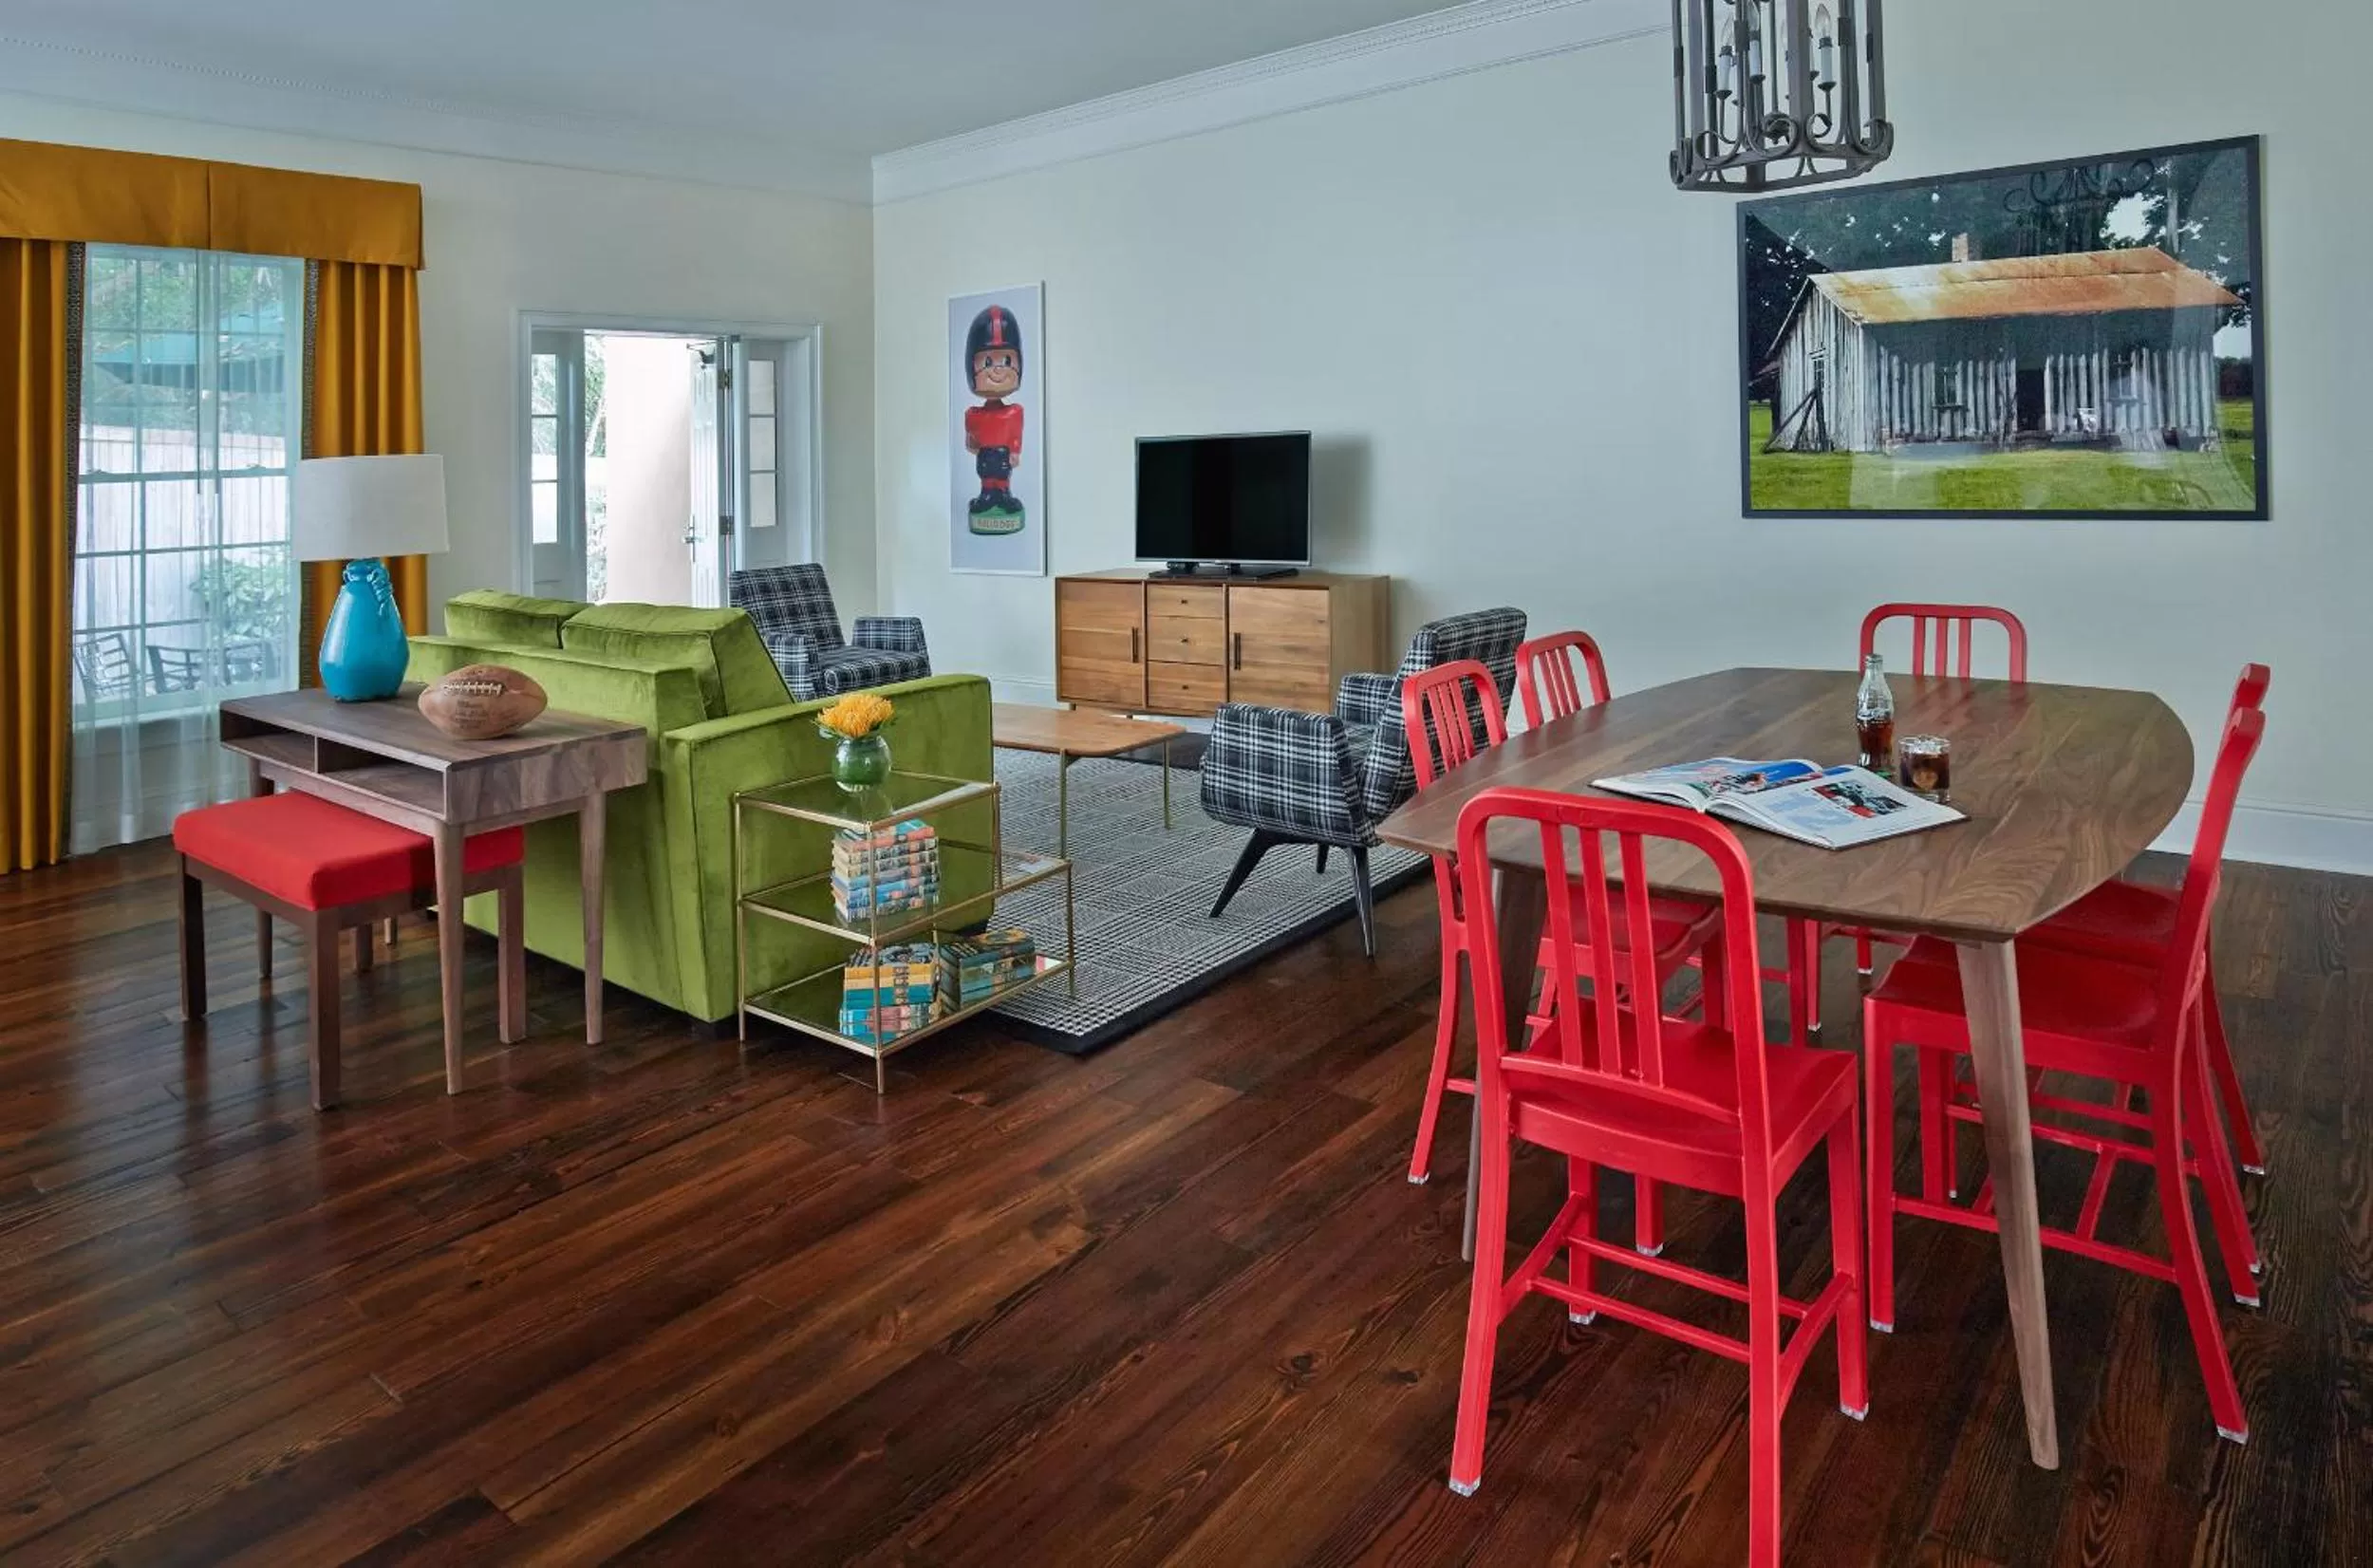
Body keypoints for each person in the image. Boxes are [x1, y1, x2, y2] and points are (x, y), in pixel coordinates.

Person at [963, 306, 1026, 536]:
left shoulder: (1015, 412)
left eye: (1007, 360)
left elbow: (1016, 435)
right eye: (988, 363)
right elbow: (971, 440)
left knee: (1002, 474)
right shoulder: (972, 414)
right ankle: (987, 496)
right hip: (985, 455)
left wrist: (1015, 451)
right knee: (986, 474)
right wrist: (972, 442)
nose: (998, 371)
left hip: (1003, 454)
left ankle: (1004, 495)